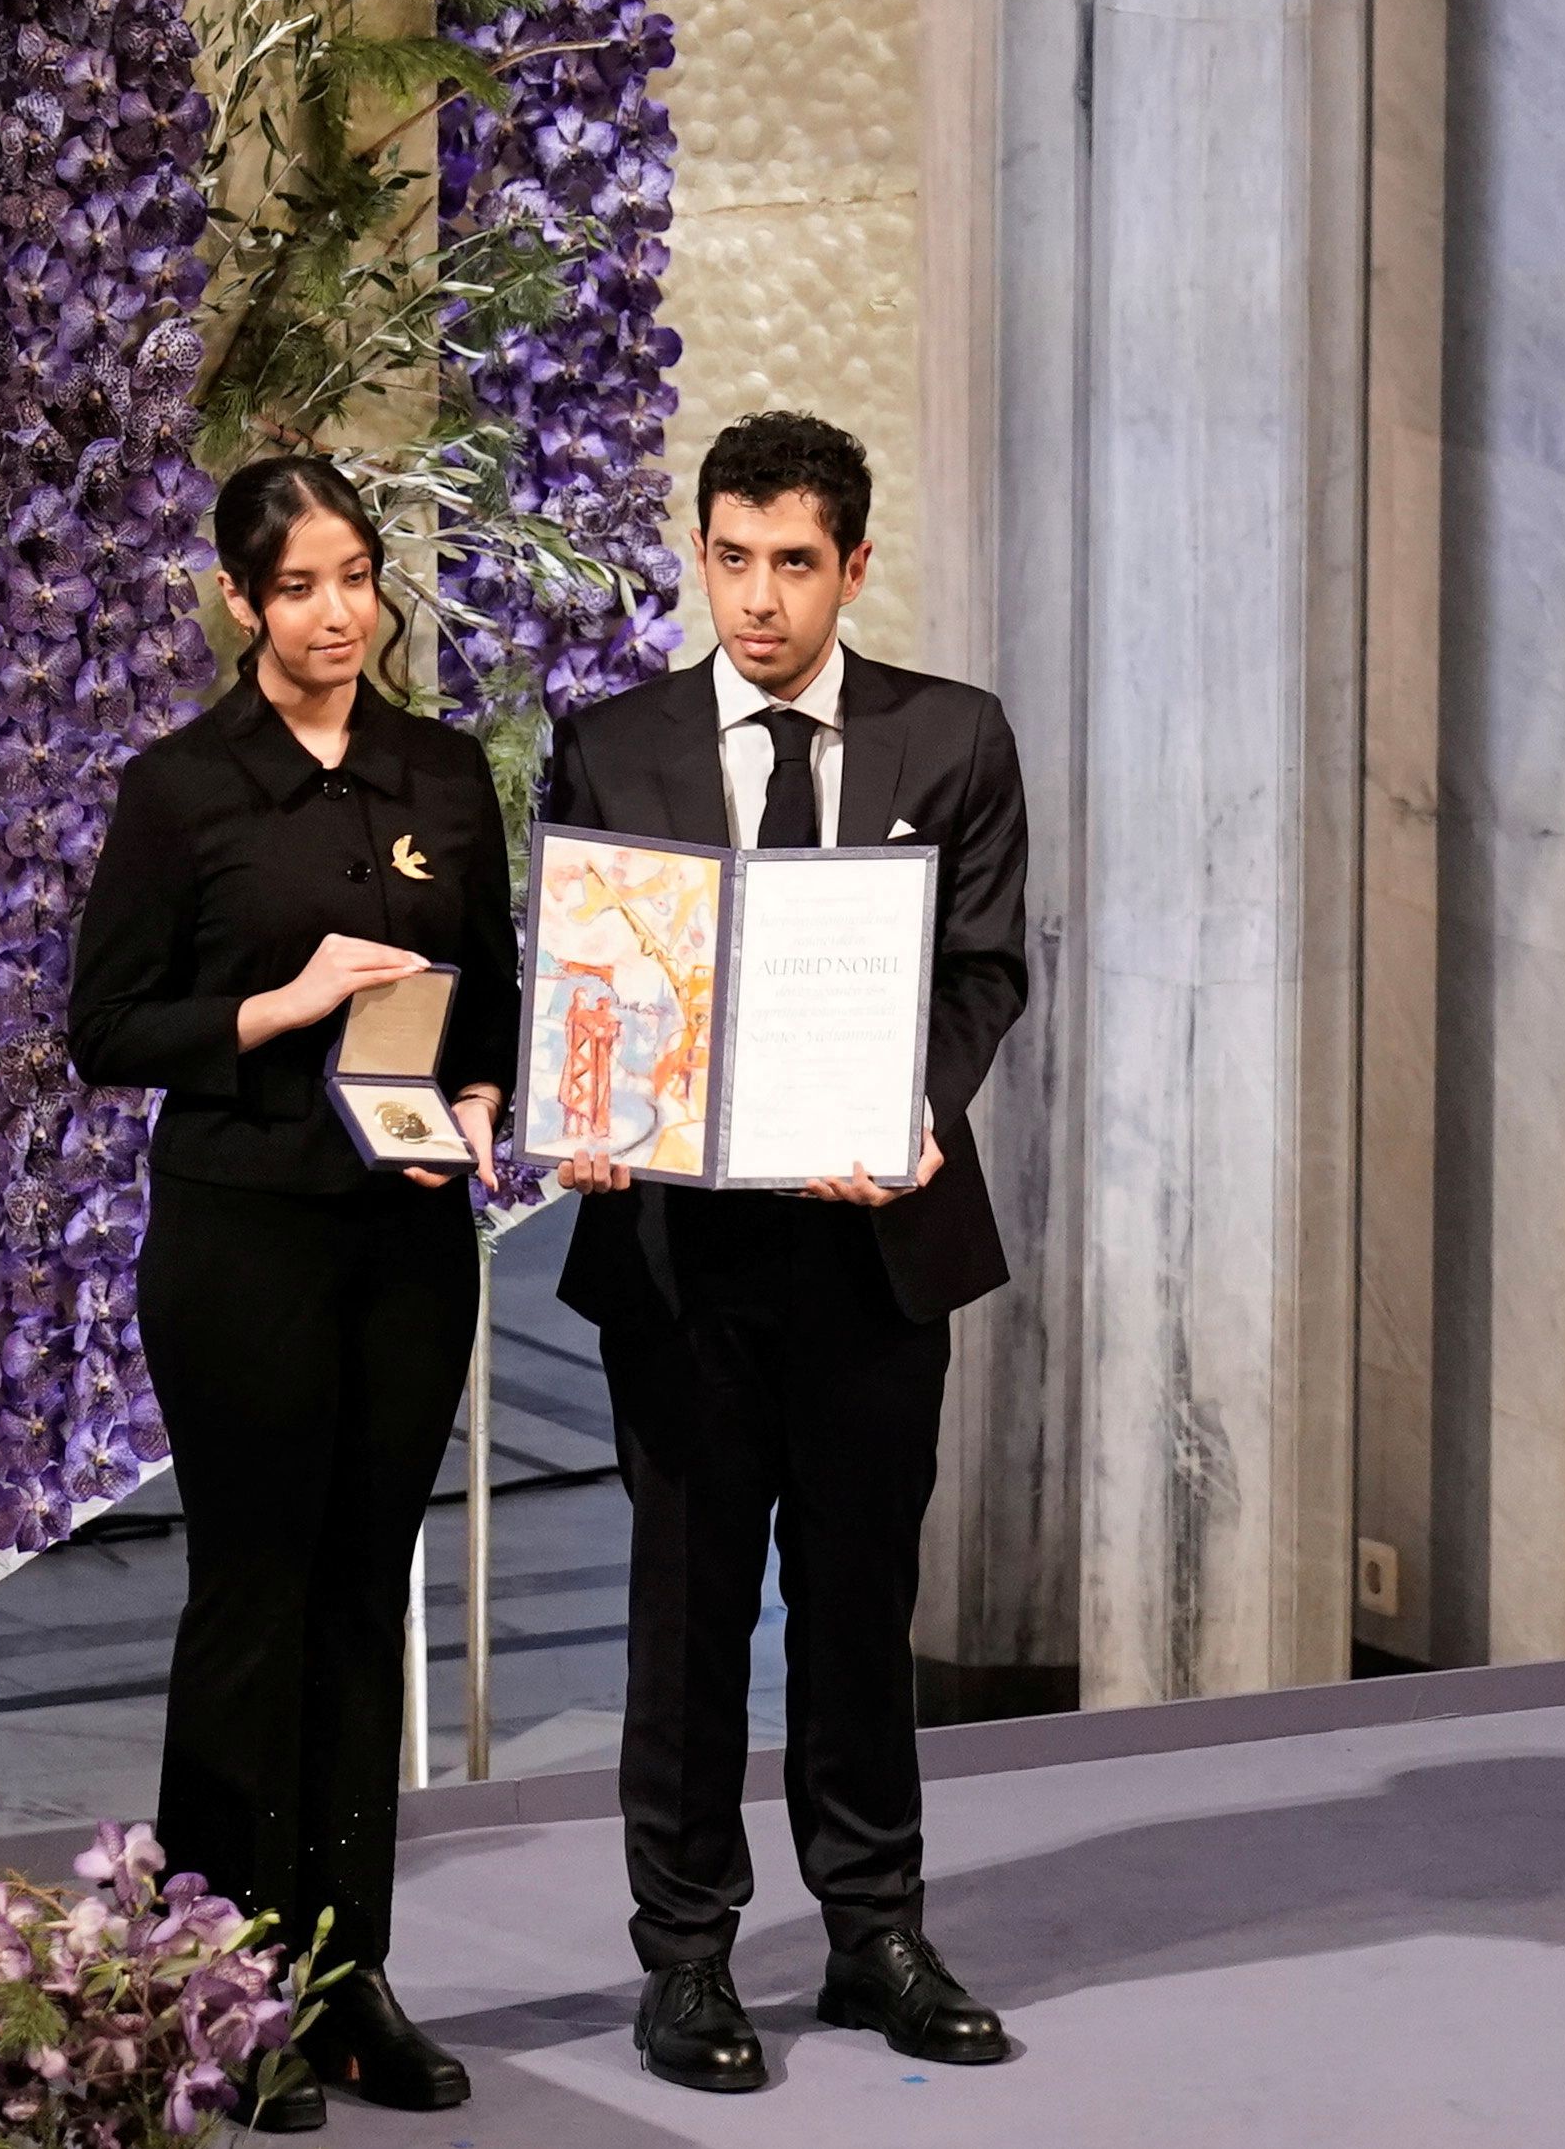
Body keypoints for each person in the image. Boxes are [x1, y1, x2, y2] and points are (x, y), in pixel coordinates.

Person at [543, 411, 1032, 2094]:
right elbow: (586, 979)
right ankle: (684, 1955)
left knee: (858, 1597)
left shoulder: (950, 738)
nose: (757, 599)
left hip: (872, 1249)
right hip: (681, 1258)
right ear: (700, 554)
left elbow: (981, 972)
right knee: (684, 1614)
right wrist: (580, 1101)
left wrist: (919, 1106)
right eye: (730, 558)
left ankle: (871, 1929)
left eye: (792, 564)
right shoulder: (613, 743)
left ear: (853, 566)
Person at [68, 455, 521, 2128]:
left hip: (403, 1238)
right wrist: (280, 999)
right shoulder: (184, 789)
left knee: (360, 1600)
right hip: (243, 1231)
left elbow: (496, 1009)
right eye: (303, 586)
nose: (340, 613)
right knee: (253, 1601)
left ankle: (344, 1982)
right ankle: (213, 1982)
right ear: (242, 602)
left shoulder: (442, 770)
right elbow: (107, 1027)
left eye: (358, 578)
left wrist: (474, 1107)